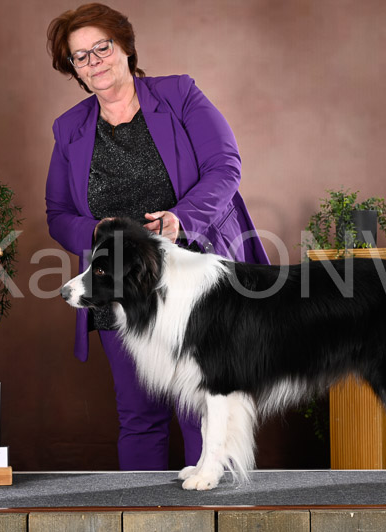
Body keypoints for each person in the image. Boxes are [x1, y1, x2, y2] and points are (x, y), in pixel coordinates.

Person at [45, 3, 269, 471]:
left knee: (203, 409)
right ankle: (139, 506)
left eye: (102, 47)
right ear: (73, 70)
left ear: (125, 47)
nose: (94, 61)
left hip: (195, 279)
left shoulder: (179, 95)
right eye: (80, 57)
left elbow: (224, 167)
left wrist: (181, 219)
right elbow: (59, 213)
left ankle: (212, 504)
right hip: (118, 288)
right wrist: (95, 231)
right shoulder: (69, 129)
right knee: (138, 415)